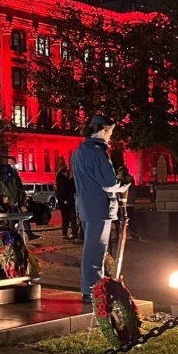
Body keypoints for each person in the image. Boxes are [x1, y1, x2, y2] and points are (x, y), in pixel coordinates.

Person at [71, 115, 129, 303]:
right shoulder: (97, 151)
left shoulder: (80, 150)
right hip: (99, 205)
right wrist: (124, 185)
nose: (110, 137)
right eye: (110, 132)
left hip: (87, 204)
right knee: (96, 250)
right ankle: (93, 290)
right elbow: (109, 183)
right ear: (103, 130)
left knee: (92, 249)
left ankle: (92, 288)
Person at [55, 164, 79, 242]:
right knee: (70, 217)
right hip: (68, 201)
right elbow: (68, 191)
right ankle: (72, 233)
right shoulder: (64, 181)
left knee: (66, 218)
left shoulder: (60, 180)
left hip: (65, 202)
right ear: (64, 172)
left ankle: (66, 233)